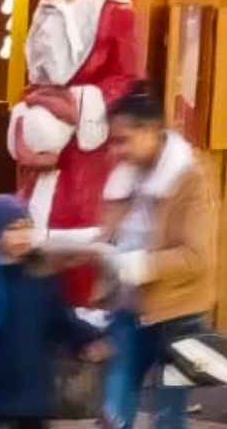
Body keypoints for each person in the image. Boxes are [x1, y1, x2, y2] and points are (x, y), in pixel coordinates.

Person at [6, 0, 141, 299]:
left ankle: (80, 308)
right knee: (35, 227)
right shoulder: (48, 15)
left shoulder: (115, 16)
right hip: (44, 150)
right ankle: (41, 306)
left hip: (87, 150)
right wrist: (30, 109)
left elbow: (126, 78)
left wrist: (83, 105)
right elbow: (41, 76)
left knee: (78, 227)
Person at [91, 82, 217, 429]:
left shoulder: (190, 179)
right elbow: (108, 241)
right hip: (127, 312)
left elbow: (196, 257)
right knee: (114, 409)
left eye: (122, 139)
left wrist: (137, 265)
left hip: (178, 313)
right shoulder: (123, 179)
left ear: (150, 131)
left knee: (169, 416)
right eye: (112, 141)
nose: (115, 151)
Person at [0, 194, 105, 429]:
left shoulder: (41, 275)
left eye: (27, 227)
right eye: (13, 228)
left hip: (31, 393)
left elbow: (59, 321)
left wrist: (88, 340)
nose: (23, 236)